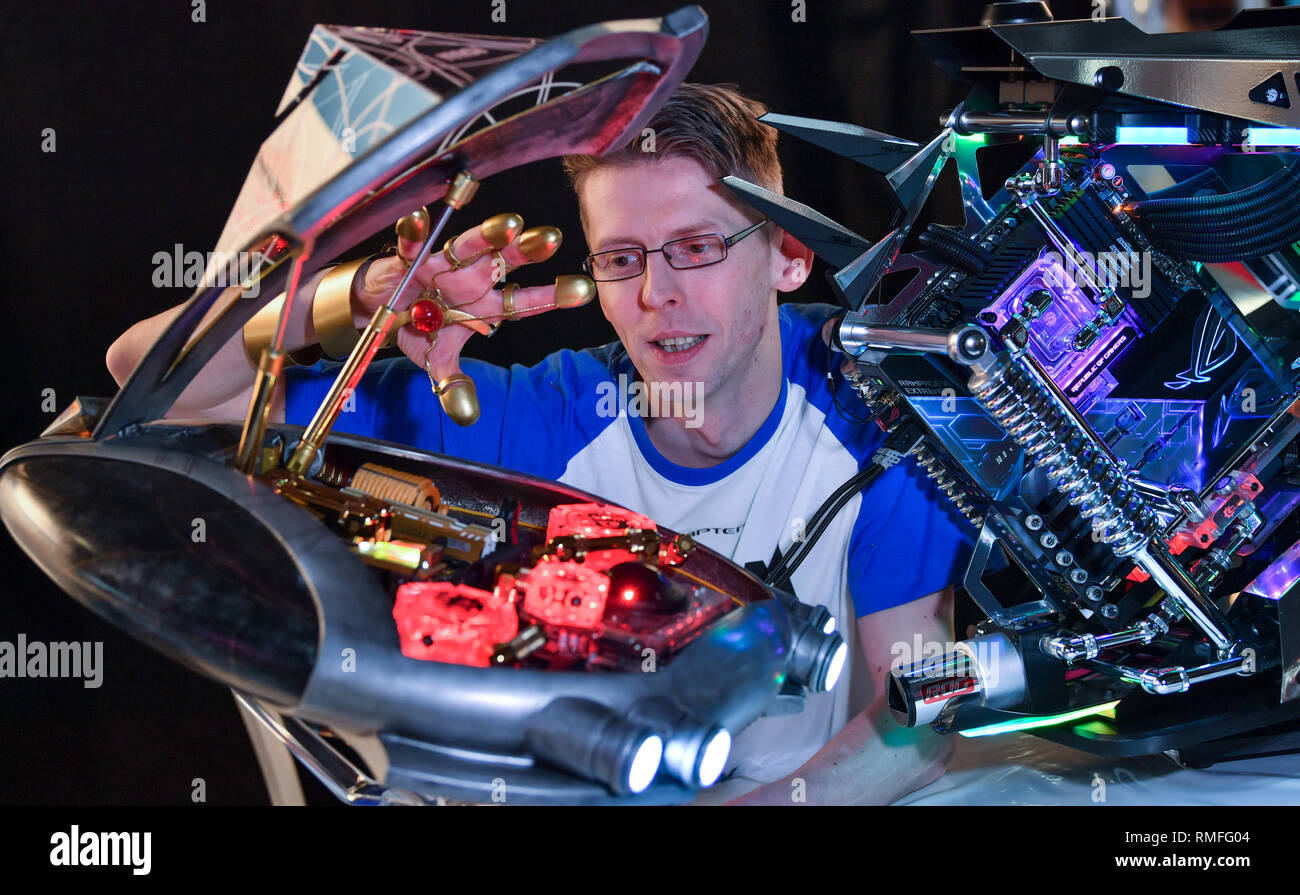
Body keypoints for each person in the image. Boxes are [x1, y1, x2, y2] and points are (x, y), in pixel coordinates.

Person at [107, 83, 971, 805]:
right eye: (622, 258)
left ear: (788, 255)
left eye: (698, 247)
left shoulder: (872, 405)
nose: (657, 294)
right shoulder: (546, 415)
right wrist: (364, 293)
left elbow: (918, 718)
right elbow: (153, 382)